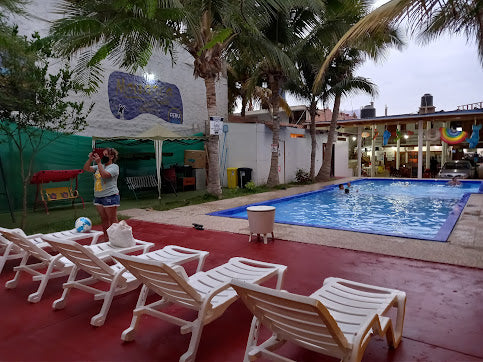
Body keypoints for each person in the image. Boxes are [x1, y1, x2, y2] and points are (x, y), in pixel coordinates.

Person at [83, 148, 120, 240]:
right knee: (104, 219)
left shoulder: (114, 167)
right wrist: (90, 159)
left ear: (112, 157)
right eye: (103, 155)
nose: (103, 157)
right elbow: (86, 168)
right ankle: (106, 238)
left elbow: (105, 175)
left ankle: (117, 239)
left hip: (110, 196)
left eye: (106, 155)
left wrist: (99, 163)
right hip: (98, 196)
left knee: (112, 219)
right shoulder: (100, 165)